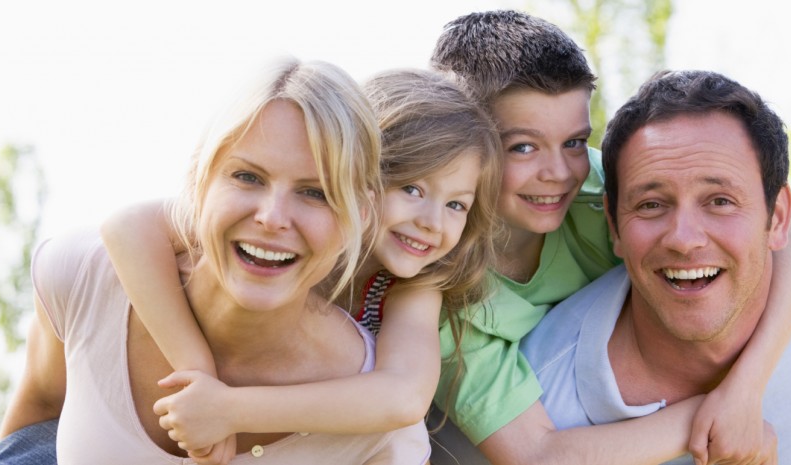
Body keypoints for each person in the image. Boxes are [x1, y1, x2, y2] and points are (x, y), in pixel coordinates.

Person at [427, 10, 791, 465]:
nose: (559, 173)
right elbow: (536, 455)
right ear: (458, 141)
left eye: (575, 142)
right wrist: (706, 413)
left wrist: (746, 389)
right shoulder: (443, 290)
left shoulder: (596, 193)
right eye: (523, 146)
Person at [0, 57, 431, 464]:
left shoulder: (381, 433)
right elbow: (32, 433)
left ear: (363, 216)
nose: (272, 218)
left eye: (315, 192)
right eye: (247, 177)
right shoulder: (84, 276)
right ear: (199, 184)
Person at [93, 68, 502, 460]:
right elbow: (126, 226)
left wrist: (229, 410)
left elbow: (404, 396)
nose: (432, 222)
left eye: (456, 204)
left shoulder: (412, 287)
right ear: (354, 179)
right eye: (412, 189)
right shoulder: (275, 226)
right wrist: (197, 372)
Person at [520, 70, 791, 464]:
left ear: (778, 218)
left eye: (719, 201)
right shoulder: (540, 399)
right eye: (651, 205)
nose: (684, 239)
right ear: (614, 228)